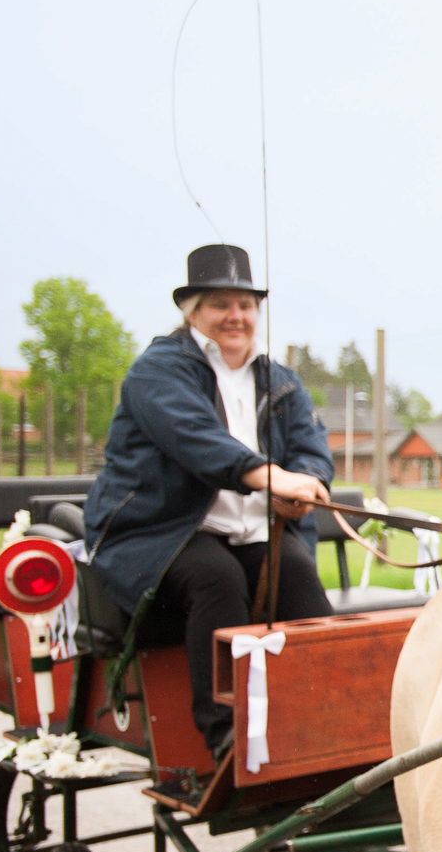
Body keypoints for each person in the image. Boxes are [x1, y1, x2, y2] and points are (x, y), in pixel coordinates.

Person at [84, 244, 334, 767]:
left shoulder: (280, 380)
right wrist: (273, 479)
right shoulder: (157, 371)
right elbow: (196, 440)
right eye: (221, 303)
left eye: (246, 305)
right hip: (157, 532)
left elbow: (311, 447)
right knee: (215, 577)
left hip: (252, 533)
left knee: (296, 572)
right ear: (191, 311)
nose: (236, 317)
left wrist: (306, 488)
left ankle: (332, 722)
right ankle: (225, 736)